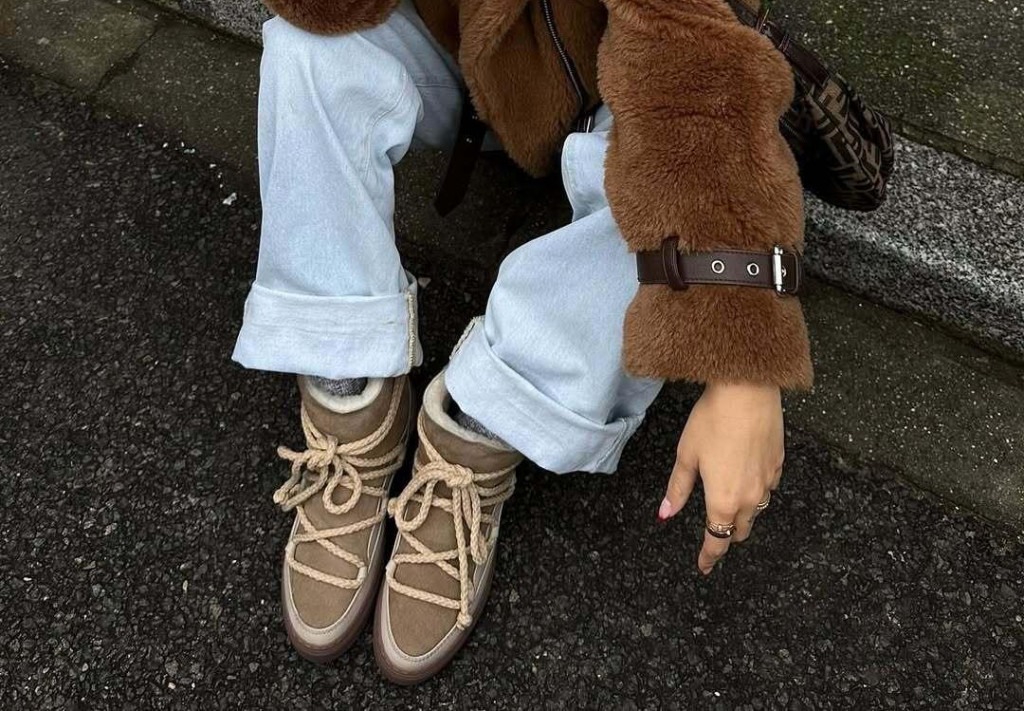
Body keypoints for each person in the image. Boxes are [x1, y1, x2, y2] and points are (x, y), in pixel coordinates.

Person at [233, 0, 813, 685]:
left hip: (623, 84)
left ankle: (482, 431)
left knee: (662, 182)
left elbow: (693, 71)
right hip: (461, 56)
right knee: (308, 49)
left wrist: (744, 366)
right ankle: (349, 390)